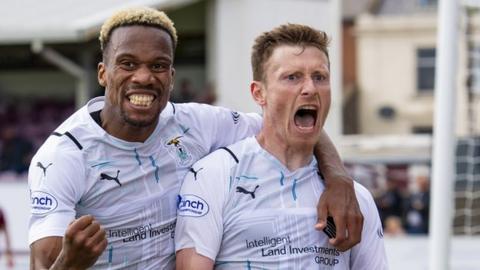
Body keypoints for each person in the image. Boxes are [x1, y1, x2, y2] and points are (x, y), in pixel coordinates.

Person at [28, 7, 362, 269]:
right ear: (103, 72)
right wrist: (69, 266)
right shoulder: (62, 156)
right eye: (127, 63)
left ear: (171, 77)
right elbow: (43, 263)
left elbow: (288, 122)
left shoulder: (197, 124)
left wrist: (339, 179)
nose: (143, 77)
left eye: (158, 66)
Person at [175, 24, 387, 269]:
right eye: (292, 77)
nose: (310, 88)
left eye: (320, 77)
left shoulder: (354, 198)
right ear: (259, 93)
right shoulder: (214, 175)